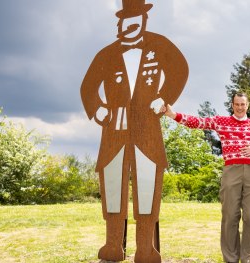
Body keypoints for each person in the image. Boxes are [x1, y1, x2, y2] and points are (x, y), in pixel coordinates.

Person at [80, 0, 189, 262]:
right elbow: (87, 87)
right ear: (119, 23)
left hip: (147, 128)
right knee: (114, 186)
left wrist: (164, 98)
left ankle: (145, 248)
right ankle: (113, 246)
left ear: (143, 19)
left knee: (148, 186)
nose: (128, 25)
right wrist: (98, 109)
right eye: (124, 19)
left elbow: (180, 70)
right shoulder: (106, 53)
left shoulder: (160, 45)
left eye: (134, 18)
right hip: (114, 129)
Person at [160, 93, 250, 263]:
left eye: (243, 104)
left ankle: (248, 259)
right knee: (230, 215)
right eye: (237, 104)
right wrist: (173, 115)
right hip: (232, 170)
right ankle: (231, 259)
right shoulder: (222, 121)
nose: (240, 107)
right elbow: (198, 122)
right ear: (232, 105)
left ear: (247, 106)